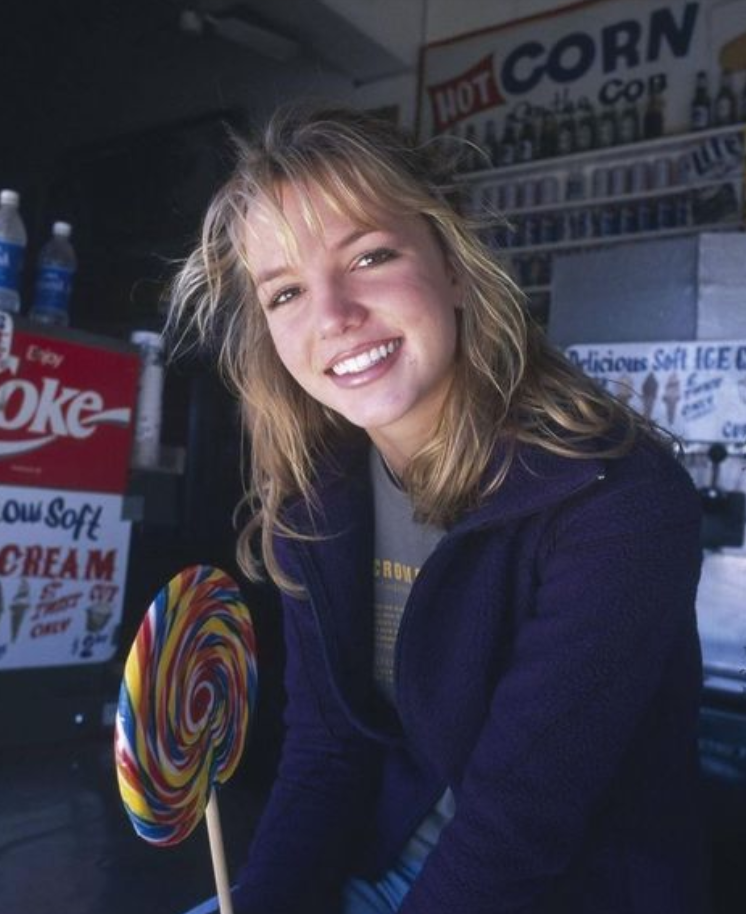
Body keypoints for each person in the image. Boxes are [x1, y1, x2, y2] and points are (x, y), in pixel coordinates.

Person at [168, 103, 708, 914]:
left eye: (370, 256)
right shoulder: (319, 498)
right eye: (285, 293)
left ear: (454, 266)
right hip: (385, 870)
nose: (332, 317)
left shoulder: (618, 500)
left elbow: (519, 826)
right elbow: (327, 754)